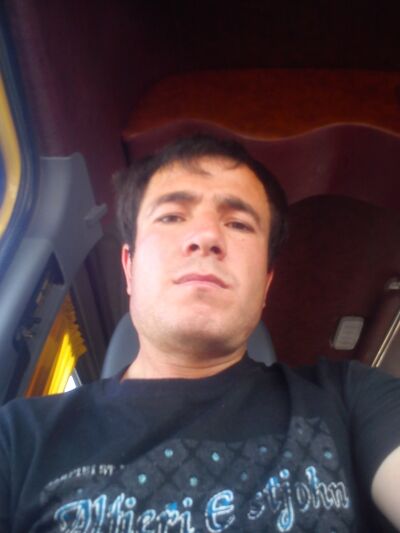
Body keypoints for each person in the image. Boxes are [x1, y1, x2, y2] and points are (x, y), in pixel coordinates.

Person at [0, 134, 400, 532]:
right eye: (171, 217)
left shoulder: (352, 400)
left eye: (239, 223)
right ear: (129, 268)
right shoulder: (18, 437)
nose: (206, 237)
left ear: (265, 284)